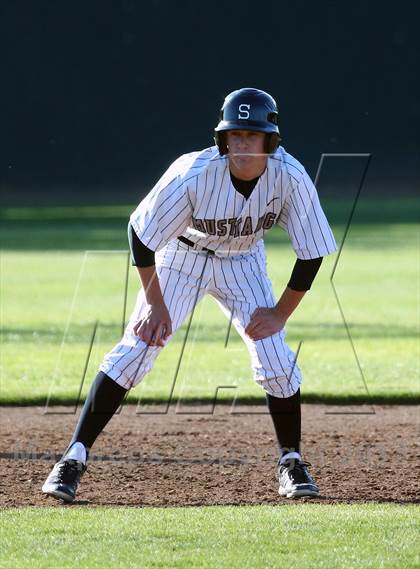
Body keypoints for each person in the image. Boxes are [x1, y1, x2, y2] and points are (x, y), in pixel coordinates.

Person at [42, 87, 337, 502]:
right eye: (234, 135)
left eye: (251, 136)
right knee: (136, 349)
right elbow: (141, 236)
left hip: (243, 261)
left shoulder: (290, 176)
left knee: (276, 357)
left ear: (271, 140)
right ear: (223, 139)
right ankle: (71, 460)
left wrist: (280, 314)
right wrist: (156, 303)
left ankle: (292, 462)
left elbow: (312, 252)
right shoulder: (193, 173)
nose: (241, 144)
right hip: (181, 256)